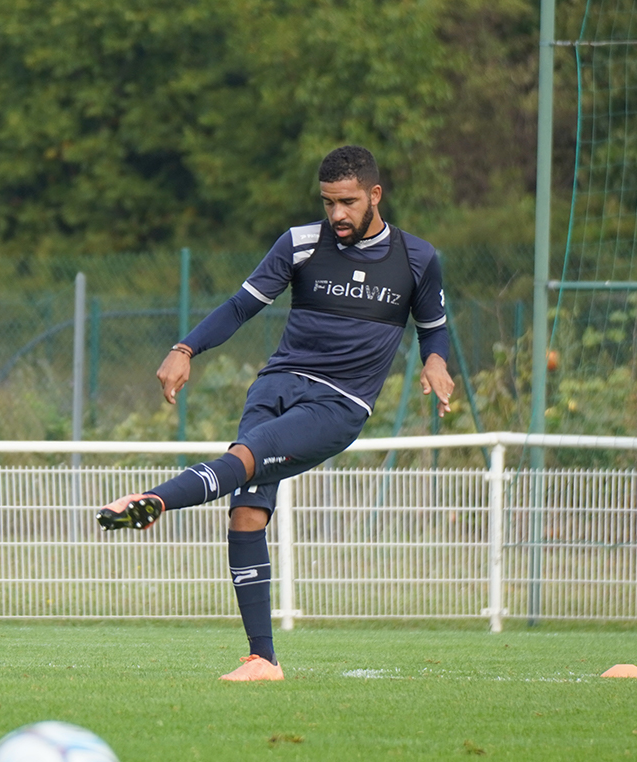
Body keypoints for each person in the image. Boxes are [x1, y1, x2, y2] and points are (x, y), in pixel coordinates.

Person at [96, 145, 454, 682]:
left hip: (339, 404)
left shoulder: (418, 258)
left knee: (246, 456)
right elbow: (242, 306)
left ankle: (156, 500)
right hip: (275, 387)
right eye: (329, 202)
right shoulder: (301, 244)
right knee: (246, 513)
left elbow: (434, 328)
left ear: (375, 195)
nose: (337, 214)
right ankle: (262, 659)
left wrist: (436, 363)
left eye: (349, 202)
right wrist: (186, 348)